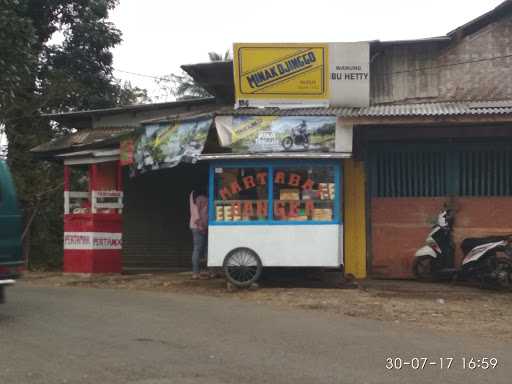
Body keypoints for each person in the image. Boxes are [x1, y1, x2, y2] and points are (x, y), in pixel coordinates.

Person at [189, 189, 208, 279]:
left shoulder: (193, 195)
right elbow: (196, 213)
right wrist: (200, 225)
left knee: (201, 249)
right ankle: (196, 273)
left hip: (197, 226)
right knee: (198, 249)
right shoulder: (199, 197)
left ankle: (199, 272)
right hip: (198, 227)